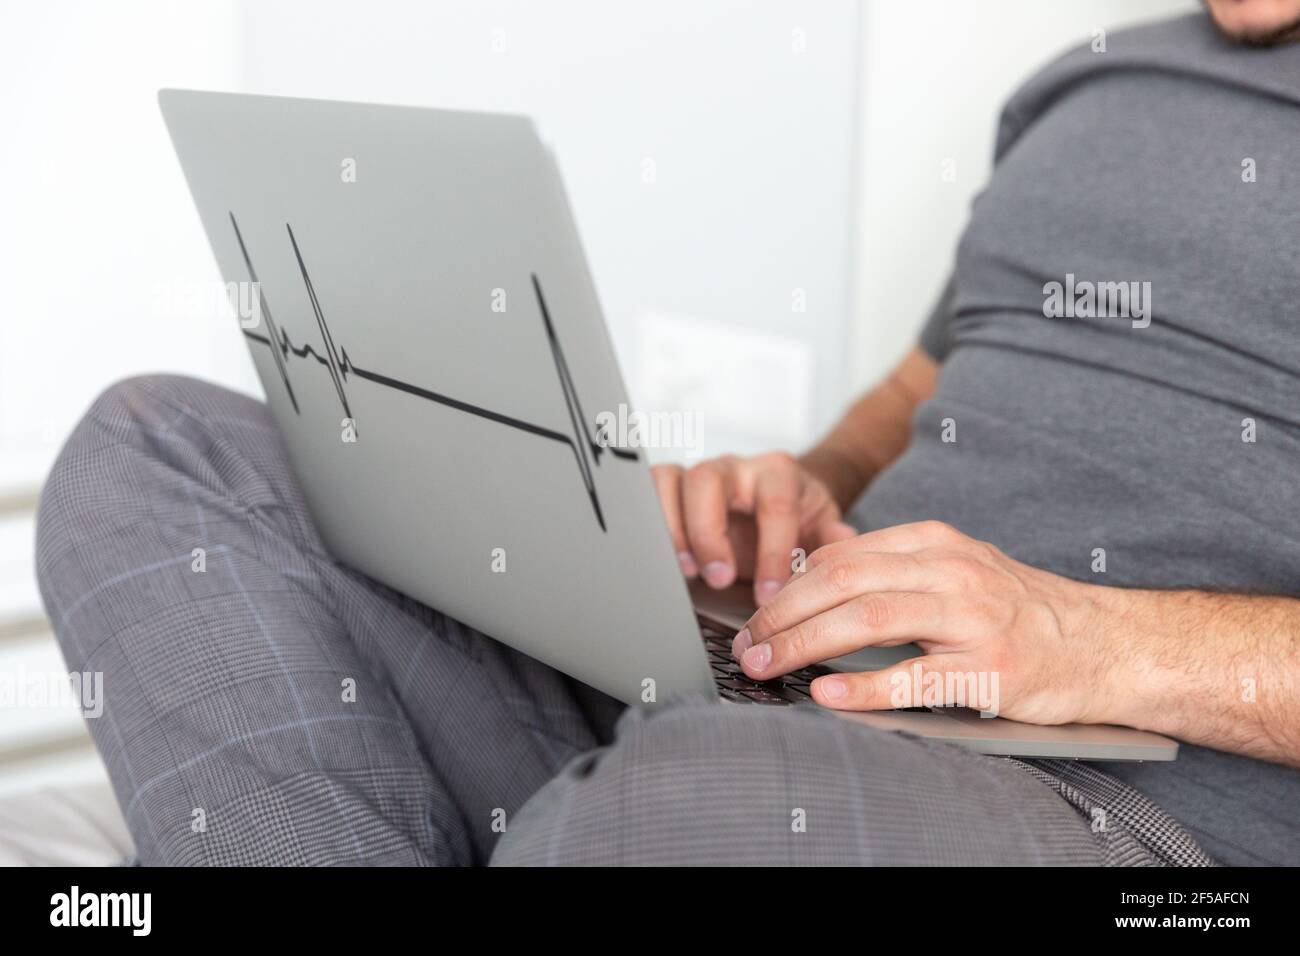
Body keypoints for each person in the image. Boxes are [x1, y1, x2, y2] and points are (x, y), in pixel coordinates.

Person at [36, 4, 1300, 866]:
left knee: (674, 804)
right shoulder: (1090, 79)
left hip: (1119, 814)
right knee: (157, 448)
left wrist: (1094, 640)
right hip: (772, 669)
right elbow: (919, 386)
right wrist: (793, 491)